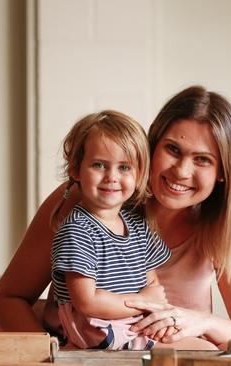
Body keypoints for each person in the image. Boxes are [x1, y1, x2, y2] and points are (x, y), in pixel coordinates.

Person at [0, 86, 231, 355]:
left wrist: (199, 321)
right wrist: (49, 355)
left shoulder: (226, 228)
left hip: (175, 355)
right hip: (87, 352)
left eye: (203, 160)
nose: (181, 172)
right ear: (152, 146)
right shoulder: (88, 199)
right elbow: (8, 298)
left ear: (223, 172)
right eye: (173, 149)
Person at [50, 110, 216, 351]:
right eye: (99, 165)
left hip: (131, 323)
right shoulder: (78, 230)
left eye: (125, 168)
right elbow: (87, 302)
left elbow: (153, 284)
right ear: (76, 169)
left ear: (140, 175)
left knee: (206, 349)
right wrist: (143, 303)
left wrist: (155, 310)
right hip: (98, 332)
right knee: (204, 353)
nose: (112, 177)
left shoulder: (137, 226)